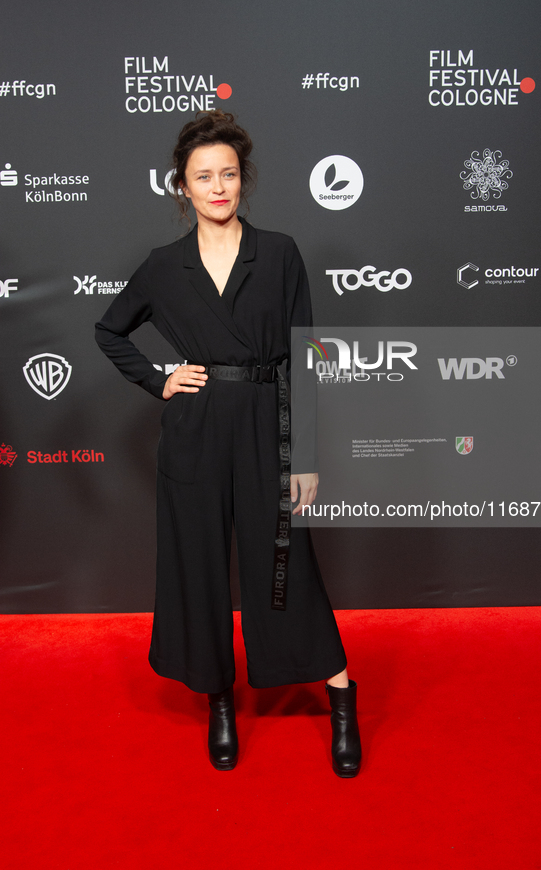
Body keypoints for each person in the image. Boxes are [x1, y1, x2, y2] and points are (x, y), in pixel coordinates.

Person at [95, 110, 361, 777]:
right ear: (180, 187)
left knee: (285, 569)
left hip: (266, 428)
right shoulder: (162, 267)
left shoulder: (278, 252)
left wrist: (305, 456)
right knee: (200, 569)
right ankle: (219, 698)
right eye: (203, 176)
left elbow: (305, 357)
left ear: (243, 179)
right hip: (195, 434)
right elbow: (110, 331)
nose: (218, 186)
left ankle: (340, 697)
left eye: (229, 174)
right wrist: (159, 379)